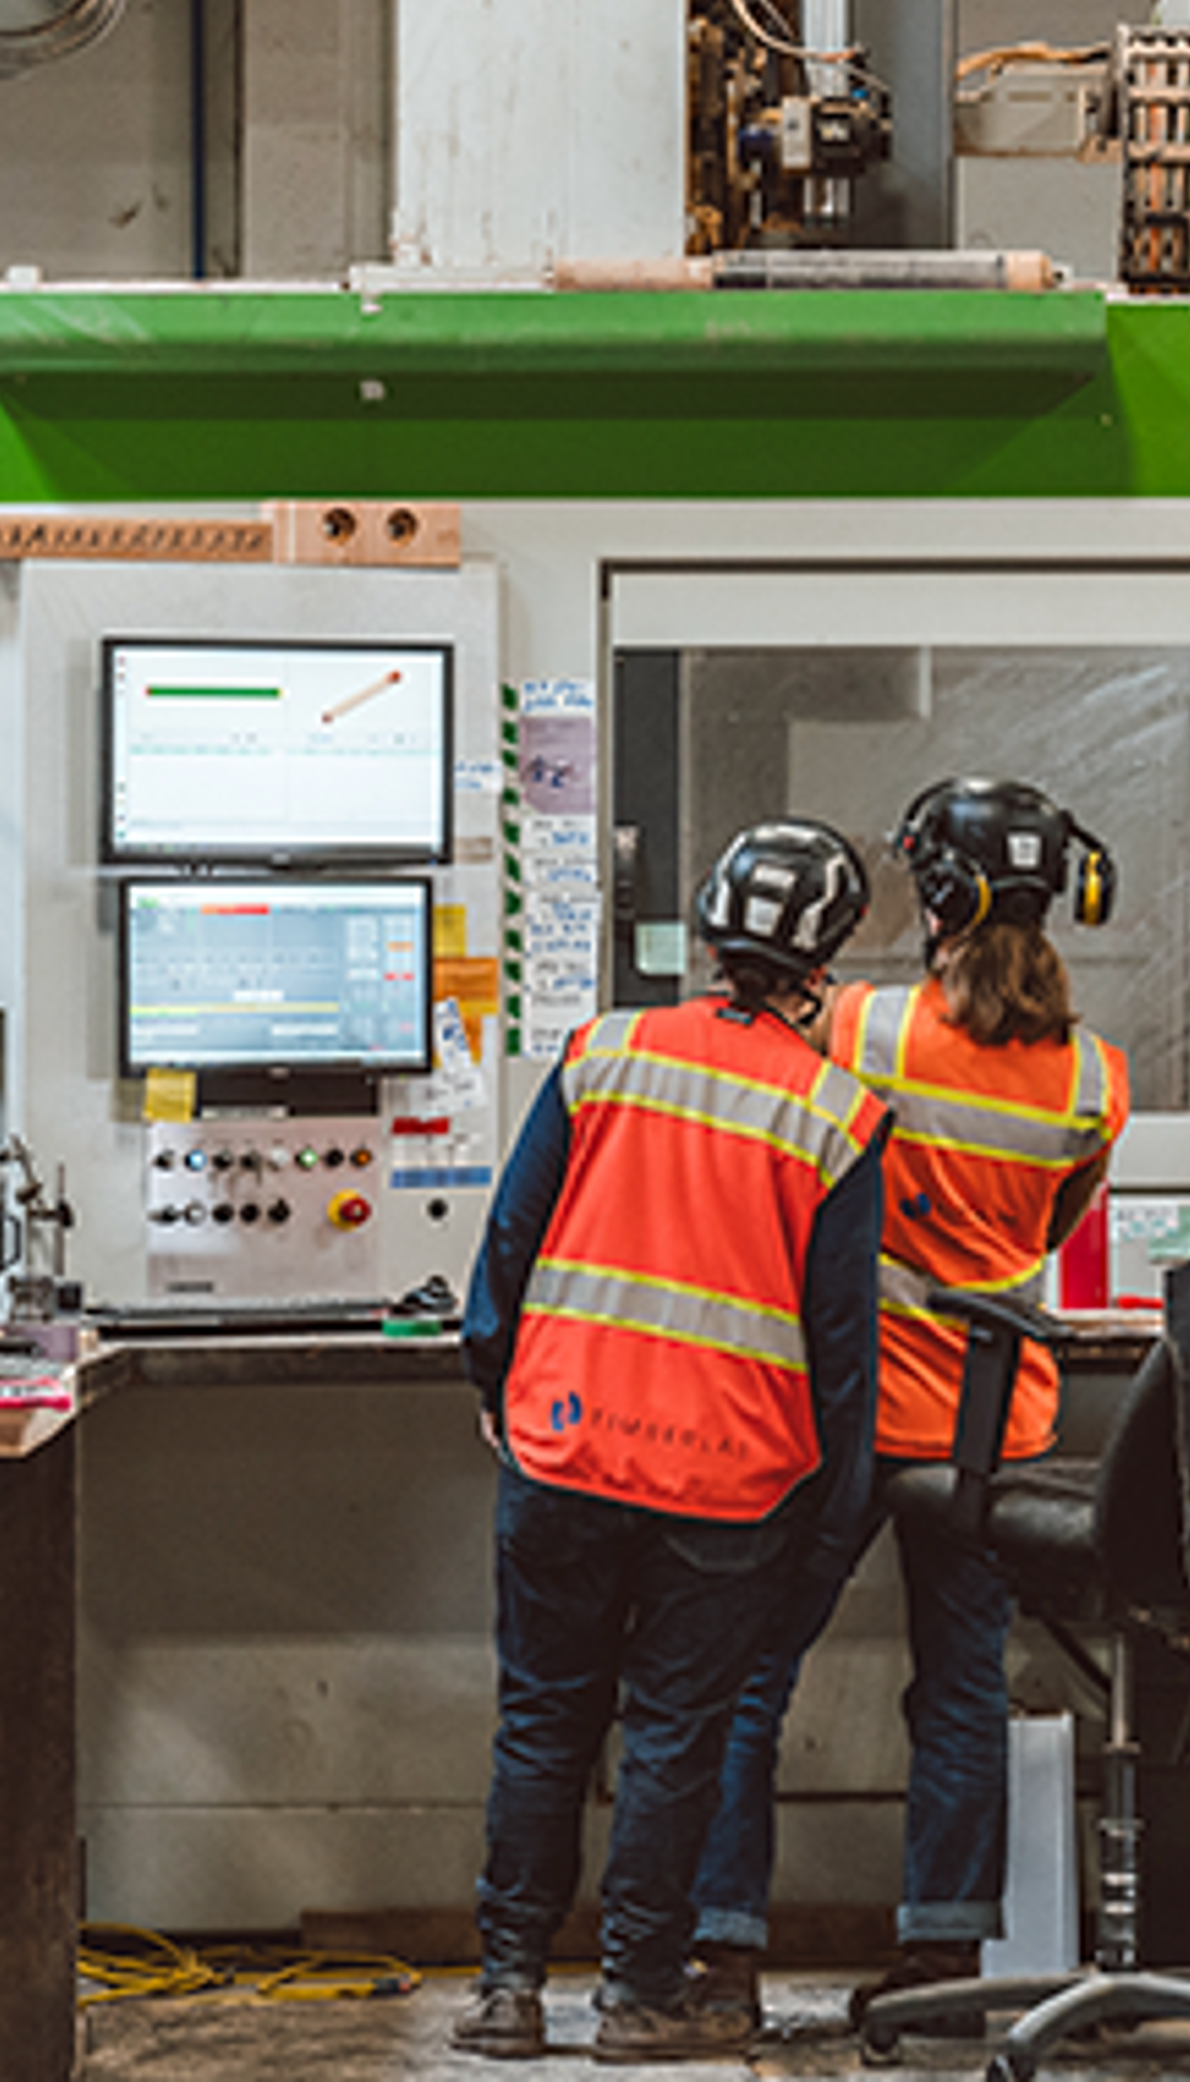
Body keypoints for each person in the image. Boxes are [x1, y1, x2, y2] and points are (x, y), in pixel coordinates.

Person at [684, 776, 1131, 2028]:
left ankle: (720, 1958)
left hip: (842, 1418)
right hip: (992, 1439)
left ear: (933, 897)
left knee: (750, 1675)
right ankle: (941, 1970)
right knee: (959, 1695)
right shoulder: (1097, 1078)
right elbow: (1049, 1227)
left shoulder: (863, 1029)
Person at [452, 820, 893, 2065]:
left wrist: (500, 1378)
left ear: (706, 931)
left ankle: (506, 1990)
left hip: (564, 1447)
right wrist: (834, 1514)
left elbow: (511, 1241)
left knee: (542, 1722)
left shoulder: (604, 1054)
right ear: (828, 960)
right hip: (732, 1486)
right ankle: (639, 1999)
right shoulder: (839, 1114)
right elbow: (841, 1351)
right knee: (674, 1737)